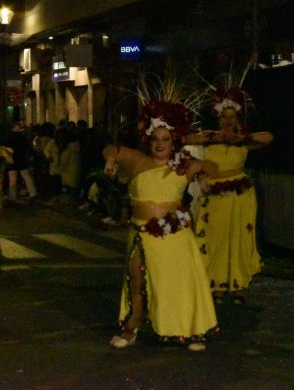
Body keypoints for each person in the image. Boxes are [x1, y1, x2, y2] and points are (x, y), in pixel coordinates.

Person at [104, 98, 218, 352]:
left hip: (174, 235)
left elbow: (210, 165)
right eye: (156, 138)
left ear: (174, 140)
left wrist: (203, 175)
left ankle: (191, 329)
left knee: (179, 282)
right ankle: (132, 328)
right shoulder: (137, 161)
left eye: (166, 139)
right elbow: (111, 149)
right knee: (137, 280)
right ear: (148, 139)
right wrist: (110, 162)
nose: (160, 144)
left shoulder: (183, 165)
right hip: (142, 233)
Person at [186, 85, 273, 304]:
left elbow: (268, 138)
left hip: (239, 196)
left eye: (232, 118)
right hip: (214, 195)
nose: (228, 122)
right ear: (218, 119)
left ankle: (239, 286)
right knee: (215, 238)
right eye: (224, 118)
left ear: (238, 119)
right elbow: (186, 139)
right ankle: (216, 284)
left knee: (238, 239)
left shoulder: (243, 140)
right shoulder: (209, 137)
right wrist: (216, 136)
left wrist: (242, 136)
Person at [5, 121, 37, 204]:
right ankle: (32, 193)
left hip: (13, 159)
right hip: (21, 159)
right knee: (26, 176)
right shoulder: (23, 137)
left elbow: (6, 149)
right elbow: (28, 147)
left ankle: (12, 196)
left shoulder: (9, 137)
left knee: (13, 178)